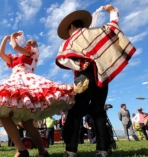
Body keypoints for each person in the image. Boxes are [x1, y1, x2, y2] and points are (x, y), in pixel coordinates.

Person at [0, 31, 75, 157]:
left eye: (33, 42)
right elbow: (1, 53)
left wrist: (12, 38)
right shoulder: (16, 58)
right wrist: (5, 38)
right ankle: (24, 150)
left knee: (27, 122)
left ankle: (38, 151)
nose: (30, 43)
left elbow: (15, 47)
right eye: (28, 42)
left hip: (27, 81)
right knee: (6, 116)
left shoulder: (33, 53)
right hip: (14, 80)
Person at [55, 3, 135, 157]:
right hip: (101, 76)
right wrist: (112, 11)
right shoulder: (97, 32)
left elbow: (63, 59)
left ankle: (71, 151)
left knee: (76, 111)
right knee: (98, 111)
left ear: (71, 26)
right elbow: (113, 27)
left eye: (68, 30)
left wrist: (78, 63)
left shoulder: (71, 41)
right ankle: (103, 149)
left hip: (84, 78)